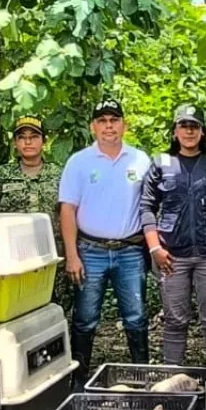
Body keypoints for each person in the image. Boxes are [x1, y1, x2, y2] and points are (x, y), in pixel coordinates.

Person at [140, 105, 206, 364]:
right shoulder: (161, 164)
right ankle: (172, 377)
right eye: (183, 126)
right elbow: (147, 208)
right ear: (174, 131)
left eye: (194, 126)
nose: (189, 131)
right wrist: (155, 249)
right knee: (175, 320)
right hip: (171, 257)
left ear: (203, 131)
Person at [60, 98, 152, 386]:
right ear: (93, 127)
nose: (108, 126)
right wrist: (72, 255)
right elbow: (67, 210)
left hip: (130, 250)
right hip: (91, 251)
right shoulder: (79, 162)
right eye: (102, 121)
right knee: (85, 318)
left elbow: (152, 205)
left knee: (136, 316)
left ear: (124, 125)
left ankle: (142, 377)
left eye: (114, 120)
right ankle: (78, 381)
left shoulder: (140, 160)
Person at [0, 115, 71, 317]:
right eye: (22, 137)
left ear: (44, 141)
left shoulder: (60, 175)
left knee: (55, 312)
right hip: (13, 260)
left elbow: (71, 215)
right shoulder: (0, 176)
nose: (28, 142)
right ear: (15, 142)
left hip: (53, 258)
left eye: (34, 137)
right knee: (16, 312)